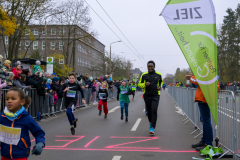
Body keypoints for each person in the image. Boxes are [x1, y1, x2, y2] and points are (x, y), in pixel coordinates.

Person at [0, 88, 45, 159]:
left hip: (21, 154)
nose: (9, 101)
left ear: (22, 102)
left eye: (13, 99)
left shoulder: (26, 118)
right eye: (7, 99)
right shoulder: (2, 116)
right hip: (5, 154)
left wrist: (40, 143)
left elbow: (39, 132)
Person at [186, 73, 219, 151]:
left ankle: (208, 143)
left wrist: (190, 77)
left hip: (204, 98)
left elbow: (198, 80)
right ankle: (204, 141)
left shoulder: (206, 71)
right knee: (205, 121)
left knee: (206, 121)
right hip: (205, 97)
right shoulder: (210, 71)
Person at [138, 60, 163, 135]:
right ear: (147, 67)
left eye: (151, 66)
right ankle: (150, 122)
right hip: (147, 95)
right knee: (149, 111)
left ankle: (152, 127)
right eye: (149, 66)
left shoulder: (159, 75)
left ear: (154, 67)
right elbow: (139, 84)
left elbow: (161, 82)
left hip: (156, 95)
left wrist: (160, 87)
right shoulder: (144, 75)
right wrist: (145, 84)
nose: (150, 68)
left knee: (154, 110)